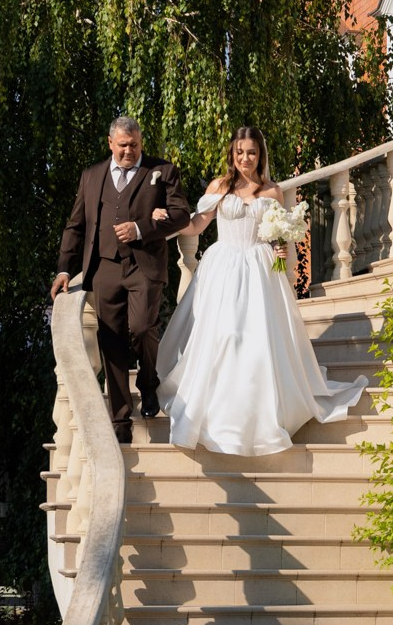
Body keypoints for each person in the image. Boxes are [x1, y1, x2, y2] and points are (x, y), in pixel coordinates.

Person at [156, 126, 367, 455]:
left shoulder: (272, 192)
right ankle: (218, 412)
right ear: (232, 153)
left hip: (259, 269)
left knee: (257, 341)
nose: (245, 159)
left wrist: (281, 261)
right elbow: (197, 226)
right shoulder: (219, 188)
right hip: (223, 267)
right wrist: (168, 218)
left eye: (251, 152)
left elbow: (278, 238)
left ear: (260, 155)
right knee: (223, 336)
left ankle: (258, 415)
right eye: (239, 152)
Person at [51, 116, 191, 443]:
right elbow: (76, 227)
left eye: (135, 145)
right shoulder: (91, 176)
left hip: (143, 265)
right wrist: (64, 270)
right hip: (104, 268)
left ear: (141, 143)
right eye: (123, 146)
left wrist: (142, 228)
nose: (129, 151)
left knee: (143, 327)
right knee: (110, 342)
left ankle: (149, 383)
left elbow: (182, 215)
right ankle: (120, 420)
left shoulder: (163, 171)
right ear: (110, 143)